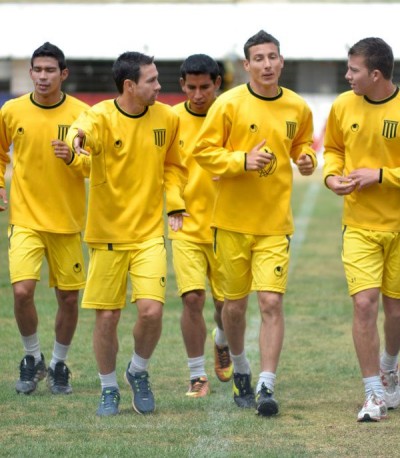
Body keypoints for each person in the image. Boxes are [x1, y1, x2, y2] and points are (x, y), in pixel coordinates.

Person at [192, 30, 317, 416]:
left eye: (272, 57)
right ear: (247, 65)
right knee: (233, 308)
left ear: (282, 61)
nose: (266, 64)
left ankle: (265, 384)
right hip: (230, 224)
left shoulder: (298, 107)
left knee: (271, 302)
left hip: (274, 224)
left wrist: (307, 158)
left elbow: (302, 146)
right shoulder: (228, 104)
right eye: (258, 58)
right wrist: (242, 161)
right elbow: (204, 152)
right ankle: (241, 367)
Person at [66, 51, 187, 417]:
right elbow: (82, 128)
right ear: (130, 85)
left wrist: (176, 203)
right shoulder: (101, 115)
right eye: (152, 80)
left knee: (151, 312)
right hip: (105, 236)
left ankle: (138, 371)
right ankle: (107, 388)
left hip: (149, 233)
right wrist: (76, 141)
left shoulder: (167, 118)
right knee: (107, 319)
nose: (159, 86)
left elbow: (174, 167)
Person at [0, 42, 90, 395]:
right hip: (24, 219)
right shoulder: (11, 111)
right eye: (37, 69)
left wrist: (72, 158)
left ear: (63, 74)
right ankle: (31, 357)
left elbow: (95, 165)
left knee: (68, 298)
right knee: (22, 291)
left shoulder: (84, 114)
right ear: (30, 72)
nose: (42, 76)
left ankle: (58, 363)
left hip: (67, 222)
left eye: (50, 70)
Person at [323, 37, 400, 422]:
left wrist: (382, 175)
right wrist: (331, 177)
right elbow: (333, 149)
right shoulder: (342, 105)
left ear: (375, 74)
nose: (346, 75)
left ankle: (389, 365)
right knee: (364, 304)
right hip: (359, 226)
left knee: (396, 311)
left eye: (353, 70)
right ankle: (373, 393)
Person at [169, 54, 233, 398]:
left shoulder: (232, 115)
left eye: (204, 87)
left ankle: (221, 340)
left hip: (226, 225)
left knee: (226, 305)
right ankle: (197, 375)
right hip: (185, 225)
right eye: (190, 87)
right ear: (181, 85)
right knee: (192, 298)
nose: (197, 94)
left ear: (217, 84)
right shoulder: (171, 120)